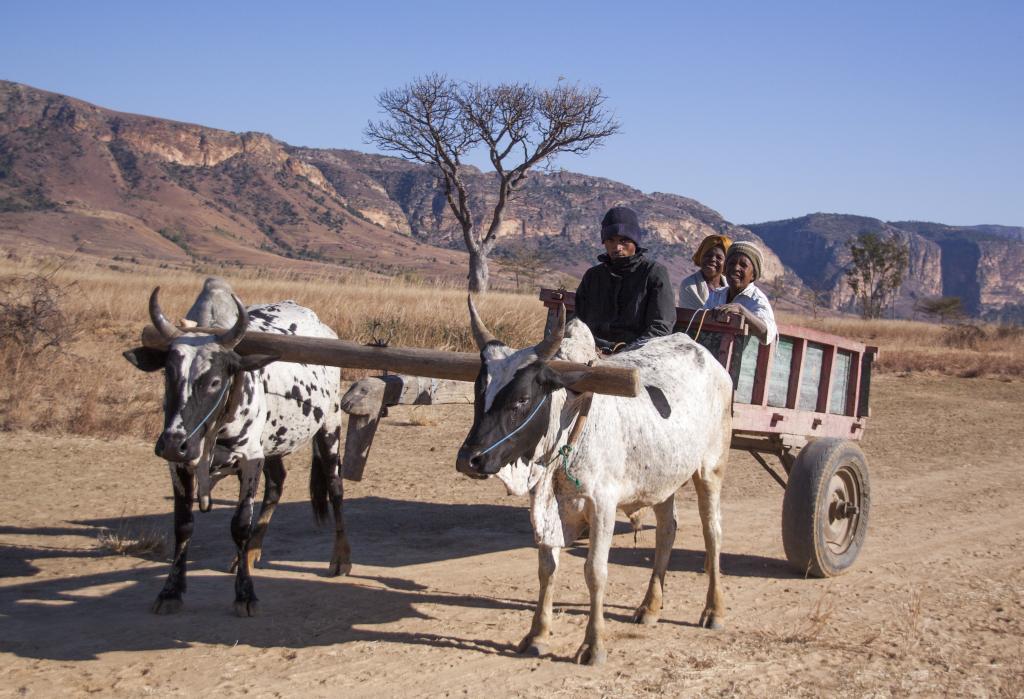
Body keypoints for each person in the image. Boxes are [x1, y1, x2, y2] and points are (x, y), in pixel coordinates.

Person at [574, 206, 676, 354]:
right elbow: (578, 320)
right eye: (611, 240)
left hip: (636, 353)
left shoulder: (654, 273)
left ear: (635, 242)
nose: (617, 247)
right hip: (590, 350)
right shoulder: (593, 276)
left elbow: (661, 326)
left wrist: (627, 352)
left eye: (624, 240)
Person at [703, 240, 778, 345]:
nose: (736, 268)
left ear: (753, 275)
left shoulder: (757, 299)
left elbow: (766, 333)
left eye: (743, 265)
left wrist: (741, 310)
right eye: (732, 263)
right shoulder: (716, 294)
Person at [678, 234, 732, 309]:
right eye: (708, 255)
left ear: (727, 262)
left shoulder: (731, 286)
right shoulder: (689, 286)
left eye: (719, 257)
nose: (712, 259)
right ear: (701, 256)